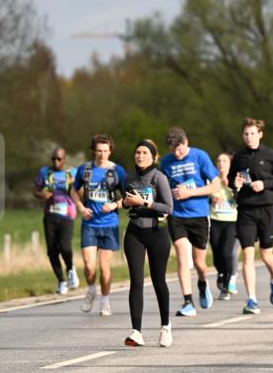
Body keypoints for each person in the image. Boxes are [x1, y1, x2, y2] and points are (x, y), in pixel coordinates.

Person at [228, 117, 273, 315]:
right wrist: (235, 184)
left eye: (253, 133)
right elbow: (232, 179)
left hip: (267, 208)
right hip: (246, 209)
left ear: (260, 134)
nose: (249, 137)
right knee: (247, 255)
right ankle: (252, 300)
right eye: (246, 134)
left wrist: (265, 184)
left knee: (266, 255)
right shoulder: (238, 156)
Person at [160, 127, 220, 316]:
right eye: (173, 150)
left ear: (186, 142)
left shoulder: (200, 156)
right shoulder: (166, 161)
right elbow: (163, 186)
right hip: (177, 215)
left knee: (199, 263)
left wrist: (190, 192)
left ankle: (202, 282)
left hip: (199, 215)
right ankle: (188, 301)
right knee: (181, 254)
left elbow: (216, 184)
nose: (176, 154)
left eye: (180, 149)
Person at [121, 139, 174, 347]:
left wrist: (144, 202)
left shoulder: (159, 178)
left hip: (157, 232)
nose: (140, 156)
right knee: (136, 281)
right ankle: (136, 331)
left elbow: (169, 208)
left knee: (158, 280)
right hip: (135, 232)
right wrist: (124, 203)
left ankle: (165, 326)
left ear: (153, 156)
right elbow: (125, 201)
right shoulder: (129, 177)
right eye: (137, 152)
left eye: (144, 153)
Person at [71, 134, 126, 317]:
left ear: (110, 151)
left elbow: (127, 197)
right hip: (90, 223)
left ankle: (105, 300)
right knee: (89, 265)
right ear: (94, 151)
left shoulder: (118, 171)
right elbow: (74, 190)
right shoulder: (85, 169)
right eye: (99, 151)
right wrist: (80, 207)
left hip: (110, 223)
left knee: (104, 266)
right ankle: (91, 289)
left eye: (105, 151)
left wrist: (114, 204)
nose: (102, 155)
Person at [33, 147, 79, 294]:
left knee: (65, 247)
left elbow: (82, 192)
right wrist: (42, 195)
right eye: (53, 159)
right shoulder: (45, 172)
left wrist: (74, 190)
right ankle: (61, 281)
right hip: (50, 215)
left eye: (58, 159)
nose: (55, 161)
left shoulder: (72, 172)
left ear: (64, 159)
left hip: (67, 215)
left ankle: (71, 269)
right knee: (52, 250)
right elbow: (35, 190)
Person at [210, 152, 240, 300]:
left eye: (224, 161)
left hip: (232, 221)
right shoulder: (212, 179)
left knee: (227, 253)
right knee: (216, 255)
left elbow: (243, 198)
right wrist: (212, 197)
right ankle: (221, 273)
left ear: (230, 164)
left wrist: (234, 189)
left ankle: (227, 285)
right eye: (219, 160)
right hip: (215, 219)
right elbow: (205, 193)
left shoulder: (236, 178)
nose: (221, 163)